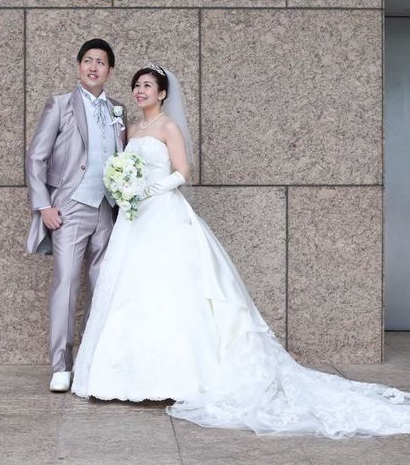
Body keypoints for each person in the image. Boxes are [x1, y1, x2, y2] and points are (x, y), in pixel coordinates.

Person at [71, 63, 410, 438]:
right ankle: (119, 375)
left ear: (162, 93)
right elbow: (121, 167)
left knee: (172, 286)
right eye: (137, 85)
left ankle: (179, 377)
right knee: (130, 288)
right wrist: (124, 187)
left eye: (148, 85)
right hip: (134, 220)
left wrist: (149, 190)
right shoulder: (132, 130)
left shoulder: (168, 127)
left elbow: (183, 171)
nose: (140, 90)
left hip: (163, 212)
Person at [26, 39, 126, 393]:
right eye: (88, 61)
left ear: (110, 71)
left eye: (101, 62)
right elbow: (36, 157)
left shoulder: (118, 110)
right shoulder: (60, 105)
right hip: (69, 209)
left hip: (107, 210)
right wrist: (44, 205)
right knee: (66, 283)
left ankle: (93, 362)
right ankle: (62, 365)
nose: (93, 67)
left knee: (104, 287)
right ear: (79, 66)